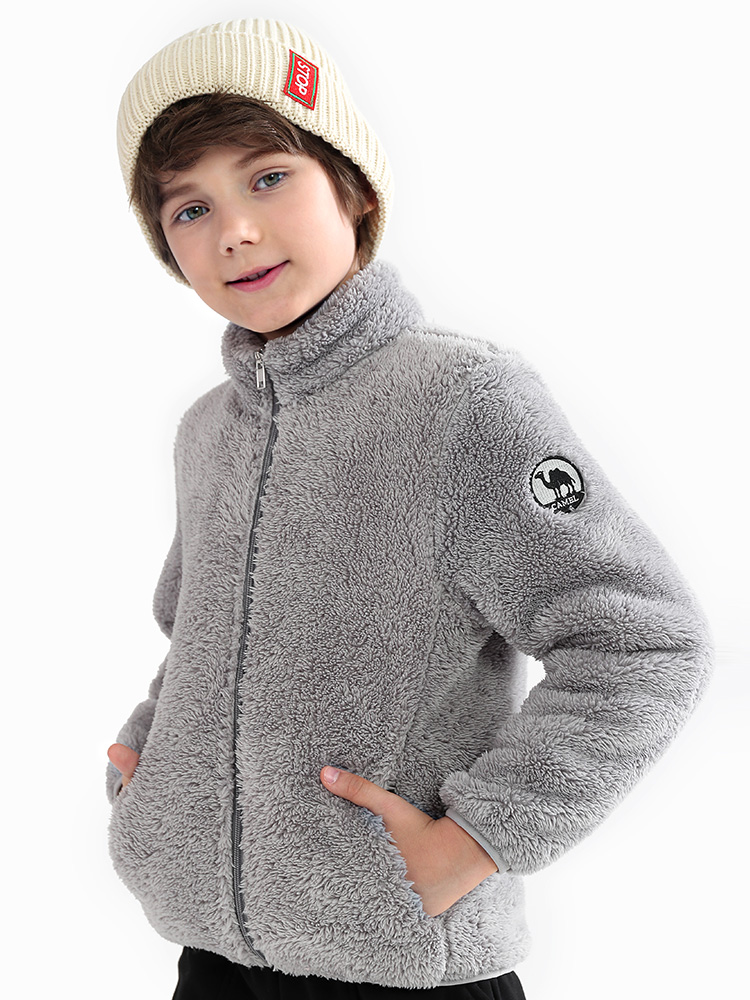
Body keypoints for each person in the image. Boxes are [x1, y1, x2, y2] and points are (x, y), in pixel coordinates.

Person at [106, 19, 712, 1000]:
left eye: (269, 177)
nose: (235, 231)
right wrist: (146, 776)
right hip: (211, 960)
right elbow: (198, 638)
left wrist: (476, 838)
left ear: (353, 187)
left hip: (401, 964)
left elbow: (640, 639)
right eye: (190, 208)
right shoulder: (206, 430)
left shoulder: (464, 401)